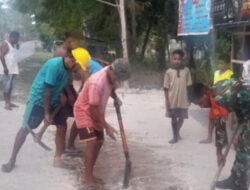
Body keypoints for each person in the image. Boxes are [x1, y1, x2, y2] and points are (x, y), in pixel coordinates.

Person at [1, 53, 79, 173]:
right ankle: (12, 160)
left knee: (62, 127)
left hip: (55, 98)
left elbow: (66, 83)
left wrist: (66, 94)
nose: (78, 69)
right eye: (78, 65)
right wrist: (47, 113)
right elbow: (47, 90)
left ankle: (57, 160)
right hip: (39, 99)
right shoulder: (54, 65)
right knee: (25, 129)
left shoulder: (69, 69)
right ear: (71, 60)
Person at [74, 58, 130, 189]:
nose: (118, 81)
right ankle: (88, 178)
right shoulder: (96, 82)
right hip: (84, 111)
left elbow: (110, 89)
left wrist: (115, 98)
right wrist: (106, 126)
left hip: (97, 110)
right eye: (117, 77)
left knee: (99, 142)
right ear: (111, 69)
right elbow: (92, 108)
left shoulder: (112, 76)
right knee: (92, 142)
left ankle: (88, 175)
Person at [190, 80, 250, 190]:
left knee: (246, 143)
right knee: (243, 142)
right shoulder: (216, 90)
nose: (202, 107)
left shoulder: (219, 99)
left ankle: (240, 183)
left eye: (200, 103)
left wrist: (219, 153)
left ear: (205, 94)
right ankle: (237, 179)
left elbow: (220, 124)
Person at [200, 55, 233, 144]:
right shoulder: (216, 73)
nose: (220, 66)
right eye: (218, 63)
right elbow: (214, 86)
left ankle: (223, 140)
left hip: (224, 101)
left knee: (222, 121)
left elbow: (230, 87)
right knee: (211, 118)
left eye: (222, 64)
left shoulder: (230, 73)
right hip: (215, 100)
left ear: (227, 64)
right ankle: (209, 138)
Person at [163, 49, 192, 144]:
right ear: (172, 59)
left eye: (179, 59)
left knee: (182, 117)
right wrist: (167, 100)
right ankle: (175, 137)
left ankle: (177, 132)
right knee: (174, 118)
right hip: (173, 99)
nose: (177, 61)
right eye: (175, 59)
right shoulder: (169, 72)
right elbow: (165, 87)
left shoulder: (186, 70)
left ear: (181, 60)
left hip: (183, 99)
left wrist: (189, 98)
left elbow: (189, 85)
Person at [0, 31, 20, 110]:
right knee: (6, 86)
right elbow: (1, 55)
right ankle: (6, 103)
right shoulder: (5, 43)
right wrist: (5, 67)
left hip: (12, 69)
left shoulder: (13, 45)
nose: (18, 40)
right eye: (17, 38)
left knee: (10, 86)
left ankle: (9, 102)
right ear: (13, 37)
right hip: (7, 70)